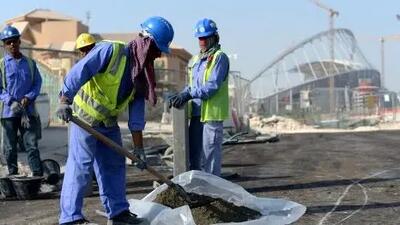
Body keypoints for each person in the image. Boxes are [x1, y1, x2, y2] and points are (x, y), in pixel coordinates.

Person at [56, 16, 174, 225]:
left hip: (108, 124)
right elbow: (79, 71)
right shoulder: (111, 51)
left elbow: (136, 116)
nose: (156, 56)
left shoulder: (141, 73)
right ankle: (70, 218)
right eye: (156, 50)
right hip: (85, 119)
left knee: (114, 167)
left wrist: (139, 150)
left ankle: (118, 213)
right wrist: (65, 99)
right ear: (146, 42)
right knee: (81, 168)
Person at [169, 18, 230, 176]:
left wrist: (188, 94)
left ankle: (212, 191)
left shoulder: (219, 58)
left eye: (205, 38)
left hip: (211, 116)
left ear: (214, 37)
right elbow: (191, 85)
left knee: (210, 158)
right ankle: (196, 190)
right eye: (199, 38)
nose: (201, 42)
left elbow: (212, 86)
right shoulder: (195, 60)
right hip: (196, 115)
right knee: (194, 157)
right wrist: (181, 94)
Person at [0, 25, 43, 177]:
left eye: (15, 41)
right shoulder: (1, 65)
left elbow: (37, 82)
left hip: (28, 112)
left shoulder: (30, 64)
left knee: (31, 144)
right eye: (8, 42)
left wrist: (29, 97)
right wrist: (10, 101)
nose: (12, 44)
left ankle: (37, 175)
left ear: (19, 42)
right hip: (8, 113)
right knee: (10, 147)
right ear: (4, 45)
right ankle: (12, 174)